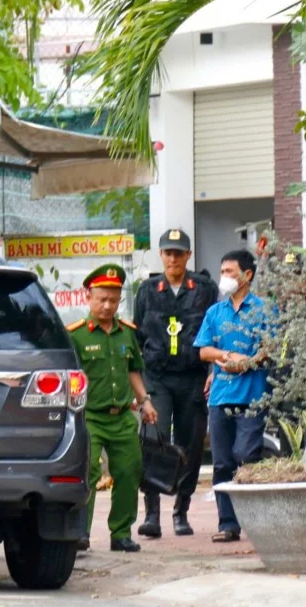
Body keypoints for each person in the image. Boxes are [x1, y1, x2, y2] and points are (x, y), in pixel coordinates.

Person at [132, 228, 219, 538]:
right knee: (153, 440)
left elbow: (214, 331)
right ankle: (151, 513)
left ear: (188, 256)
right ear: (161, 255)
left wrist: (212, 371)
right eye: (168, 252)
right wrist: (138, 387)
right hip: (158, 377)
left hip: (192, 377)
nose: (173, 258)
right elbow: (137, 337)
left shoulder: (205, 289)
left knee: (191, 444)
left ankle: (181, 511)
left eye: (178, 253)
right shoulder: (147, 290)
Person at [67, 263, 159, 553]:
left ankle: (120, 533)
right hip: (89, 417)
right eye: (101, 299)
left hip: (122, 418)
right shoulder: (76, 335)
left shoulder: (126, 333)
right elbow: (71, 379)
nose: (107, 306)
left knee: (130, 471)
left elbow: (133, 370)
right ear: (88, 297)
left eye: (113, 300)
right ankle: (79, 533)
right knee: (88, 474)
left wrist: (145, 401)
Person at [194, 249, 274, 542]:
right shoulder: (215, 312)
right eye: (223, 271)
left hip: (252, 396)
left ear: (247, 275)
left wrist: (249, 362)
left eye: (229, 271)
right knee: (222, 462)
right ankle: (228, 524)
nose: (224, 277)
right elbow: (204, 350)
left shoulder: (265, 310)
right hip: (220, 397)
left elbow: (271, 349)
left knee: (247, 455)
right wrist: (227, 355)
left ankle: (255, 519)